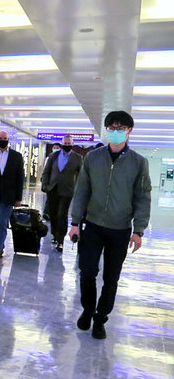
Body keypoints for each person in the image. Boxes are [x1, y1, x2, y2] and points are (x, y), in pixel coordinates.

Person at [69, 111, 151, 340]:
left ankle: (100, 318)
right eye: (112, 127)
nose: (116, 131)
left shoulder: (138, 162)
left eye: (121, 127)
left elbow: (143, 197)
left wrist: (139, 230)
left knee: (111, 278)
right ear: (106, 130)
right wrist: (75, 222)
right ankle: (87, 309)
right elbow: (82, 191)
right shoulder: (93, 158)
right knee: (87, 272)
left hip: (120, 229)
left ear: (129, 131)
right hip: (92, 226)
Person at [41, 134, 82, 251]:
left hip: (67, 190)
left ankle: (61, 240)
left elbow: (81, 174)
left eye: (69, 144)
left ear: (72, 145)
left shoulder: (77, 158)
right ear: (62, 143)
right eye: (65, 143)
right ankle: (54, 234)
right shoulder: (53, 156)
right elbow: (46, 171)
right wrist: (45, 185)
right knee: (53, 214)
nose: (67, 145)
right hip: (52, 189)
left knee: (62, 214)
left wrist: (79, 188)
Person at [0, 131, 25, 265]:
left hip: (8, 196)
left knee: (2, 222)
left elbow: (20, 178)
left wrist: (18, 198)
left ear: (8, 140)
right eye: (0, 139)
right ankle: (0, 246)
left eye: (5, 139)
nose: (3, 141)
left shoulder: (16, 156)